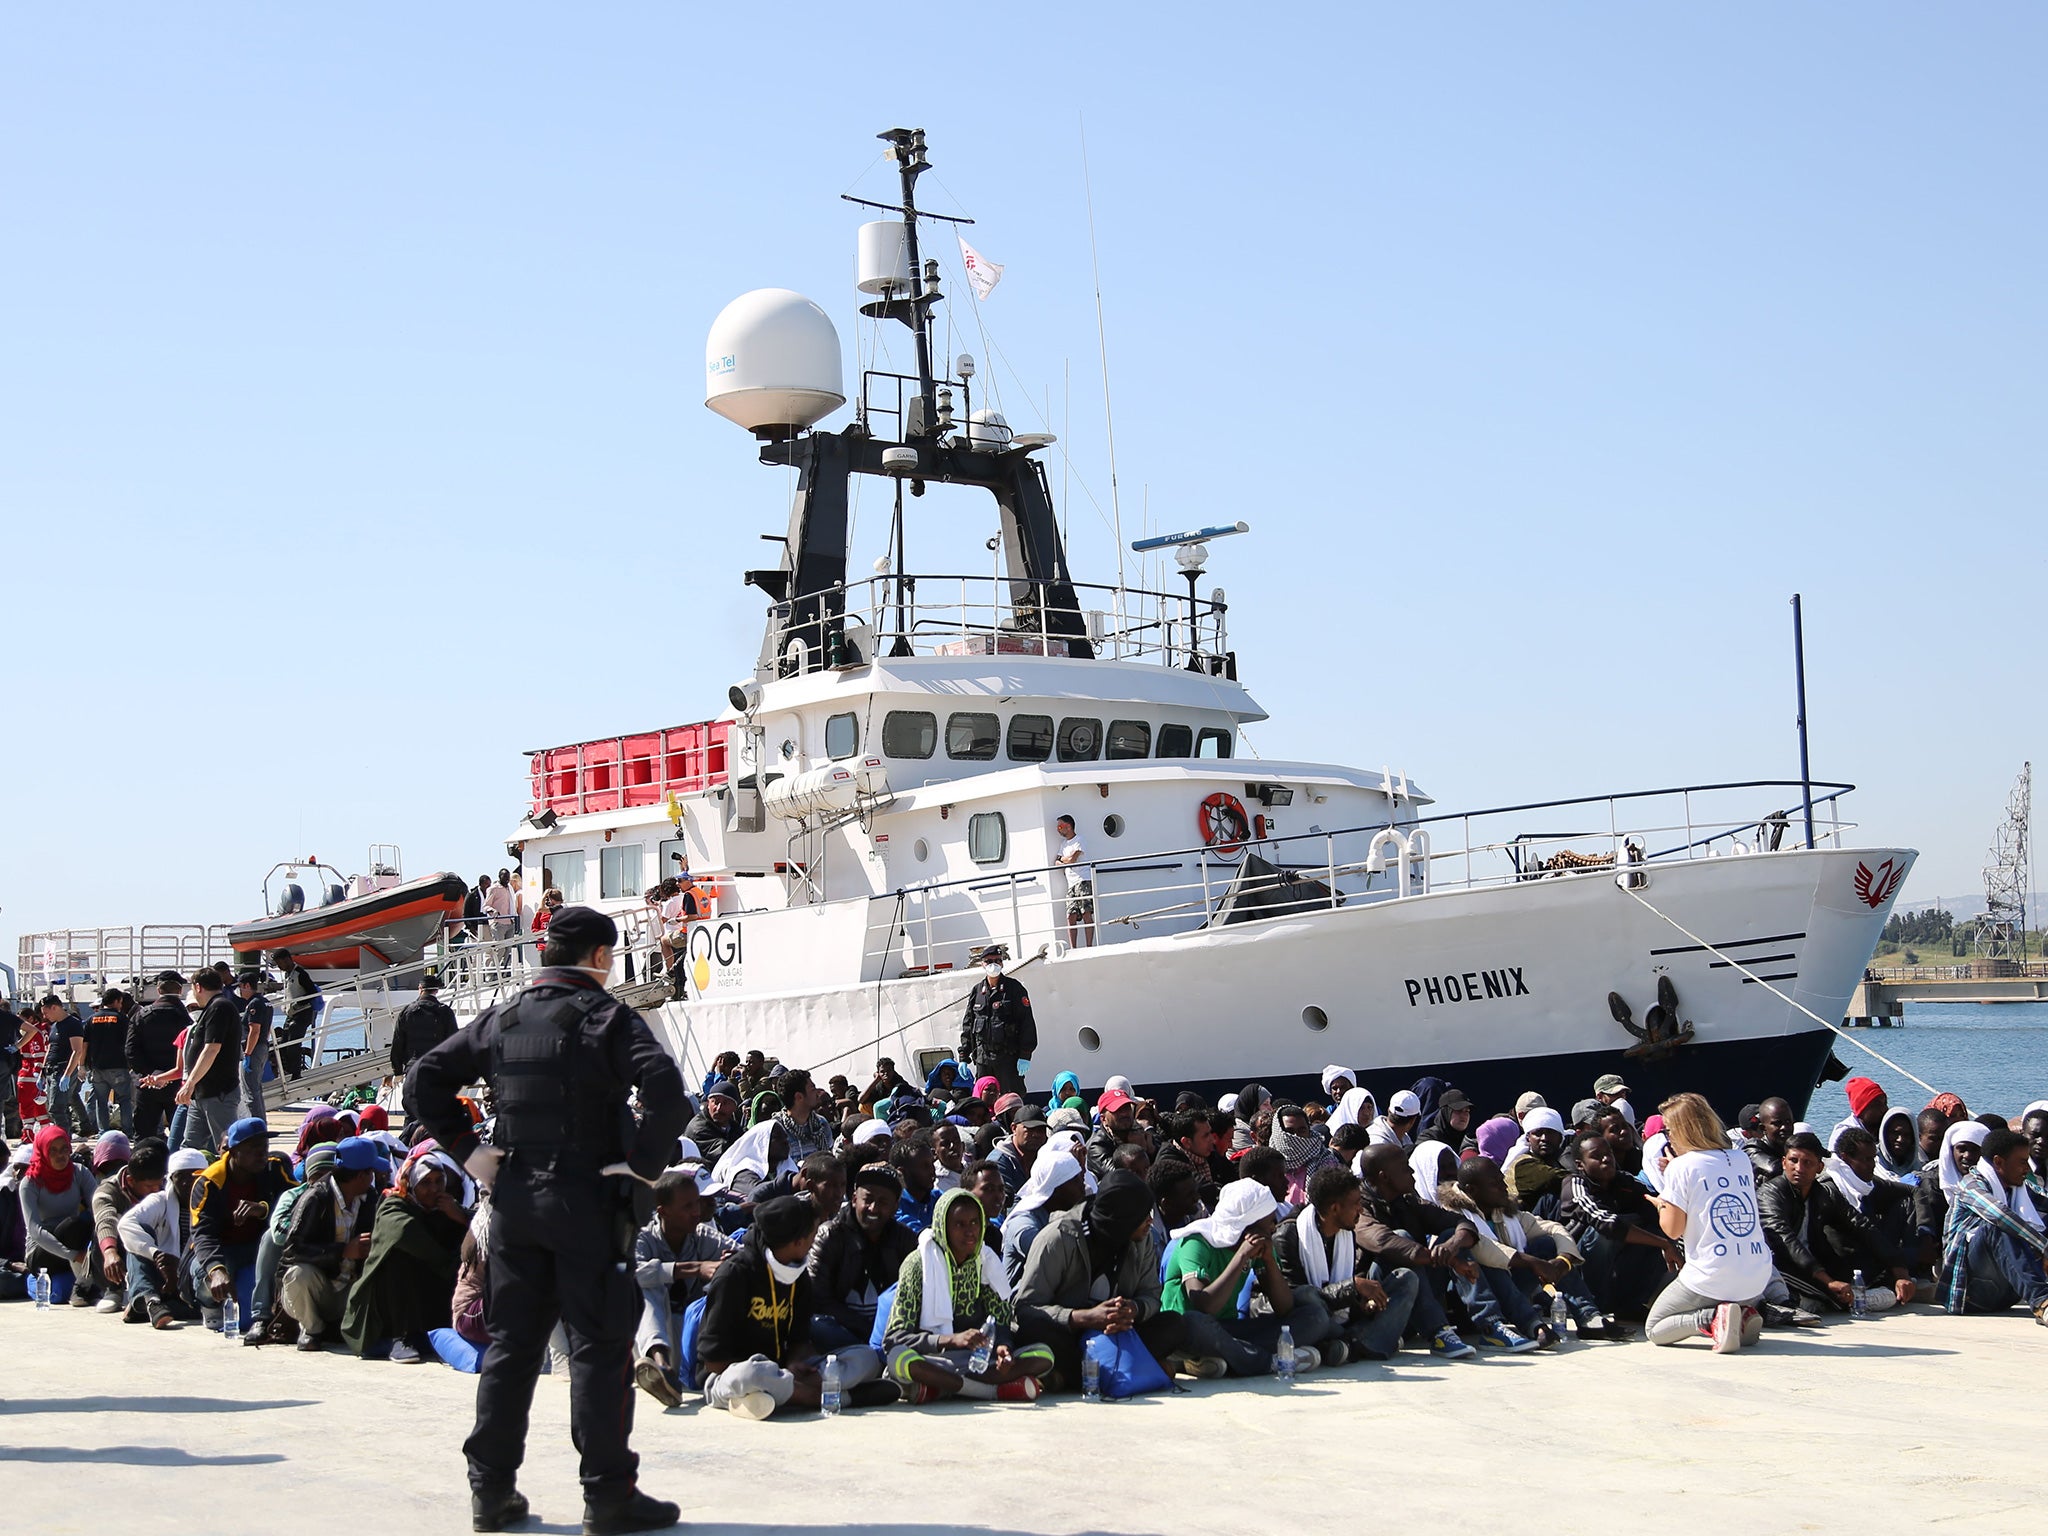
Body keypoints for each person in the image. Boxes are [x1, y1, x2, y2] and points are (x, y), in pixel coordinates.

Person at [410, 904, 687, 1536]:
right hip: (586, 1201)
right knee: (598, 1348)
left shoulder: (501, 1017)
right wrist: (642, 1168)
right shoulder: (608, 1018)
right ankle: (608, 1497)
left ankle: (491, 1493)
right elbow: (666, 1090)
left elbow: (426, 1076)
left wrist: (474, 1156)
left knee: (511, 1347)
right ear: (598, 957)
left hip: (512, 1204)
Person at [694, 1194, 890, 1416]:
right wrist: (772, 1375)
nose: (814, 1241)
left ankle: (772, 1398)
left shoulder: (798, 1274)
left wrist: (795, 1364)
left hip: (782, 1372)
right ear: (797, 1242)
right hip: (731, 1376)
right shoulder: (734, 1275)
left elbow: (799, 1340)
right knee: (753, 1374)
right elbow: (713, 1362)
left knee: (866, 1358)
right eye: (812, 1236)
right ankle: (832, 1398)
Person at [1013, 1168, 1186, 1387]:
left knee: (1175, 1325)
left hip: (1118, 1333)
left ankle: (1070, 1378)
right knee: (1036, 1331)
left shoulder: (1142, 1240)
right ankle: (1126, 1369)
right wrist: (1084, 1317)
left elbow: (1152, 1295)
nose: (1149, 1222)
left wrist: (1133, 1309)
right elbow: (1027, 1308)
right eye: (1142, 1216)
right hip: (1070, 1334)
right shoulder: (1057, 1238)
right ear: (1122, 1218)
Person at [885, 1186, 1055, 1402]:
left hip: (977, 1361)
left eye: (975, 1222)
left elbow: (1000, 1320)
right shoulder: (918, 1264)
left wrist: (1004, 1347)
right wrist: (950, 1340)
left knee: (1043, 1355)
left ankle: (942, 1388)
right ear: (943, 1227)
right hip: (935, 1358)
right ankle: (991, 1392)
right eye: (959, 1224)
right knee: (899, 1359)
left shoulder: (984, 1260)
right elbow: (894, 1339)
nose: (970, 1231)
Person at [1159, 1177, 1332, 1376]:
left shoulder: (1261, 1244)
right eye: (1269, 1221)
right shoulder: (1196, 1242)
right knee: (1194, 1322)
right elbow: (1204, 1306)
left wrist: (1268, 1261)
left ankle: (1222, 1358)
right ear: (1246, 1224)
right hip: (1190, 1333)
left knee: (1314, 1317)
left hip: (1229, 1330)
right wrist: (1240, 1256)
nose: (1274, 1227)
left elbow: (1284, 1307)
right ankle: (1269, 1362)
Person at [1644, 1092, 1773, 1351]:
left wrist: (1662, 1202)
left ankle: (1712, 1319)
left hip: (1712, 1275)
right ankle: (1742, 1317)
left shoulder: (1682, 1167)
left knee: (1655, 1328)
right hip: (1757, 1275)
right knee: (1725, 1298)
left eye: (1669, 1131)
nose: (1668, 1137)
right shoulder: (1739, 1159)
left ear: (1683, 1130)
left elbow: (1672, 1229)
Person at [1351, 1143, 1489, 1360]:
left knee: (1449, 1237)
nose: (1412, 1172)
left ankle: (1492, 1326)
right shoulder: (1358, 1205)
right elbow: (1383, 1241)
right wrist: (1453, 1262)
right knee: (1402, 1238)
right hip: (1379, 1297)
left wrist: (1453, 1245)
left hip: (1418, 1292)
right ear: (1384, 1176)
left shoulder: (1406, 1200)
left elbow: (1461, 1222)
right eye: (1405, 1168)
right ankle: (1439, 1332)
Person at [1273, 1163, 1419, 1362]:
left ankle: (1351, 1344)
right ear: (1335, 1208)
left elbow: (1342, 1294)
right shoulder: (1288, 1234)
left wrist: (1363, 1304)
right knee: (1307, 1298)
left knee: (1406, 1278)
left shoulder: (1346, 1230)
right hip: (1311, 1319)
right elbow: (1296, 1299)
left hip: (1340, 1319)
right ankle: (1366, 1342)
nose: (1361, 1209)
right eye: (1356, 1203)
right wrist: (1354, 1287)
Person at [1760, 1131, 1913, 1315]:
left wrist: (1900, 1271)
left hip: (1813, 1267)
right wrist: (1828, 1282)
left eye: (1807, 1162)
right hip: (1778, 1265)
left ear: (1819, 1167)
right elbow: (1786, 1240)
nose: (1799, 1168)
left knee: (1858, 1283)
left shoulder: (1824, 1194)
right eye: (1793, 1161)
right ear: (1784, 1162)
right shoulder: (1771, 1193)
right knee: (1822, 1303)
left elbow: (1861, 1226)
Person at [629, 1164, 737, 1406]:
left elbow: (742, 1253)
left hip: (686, 1336)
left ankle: (667, 1378)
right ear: (663, 1211)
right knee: (649, 1287)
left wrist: (732, 1263)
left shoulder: (702, 1236)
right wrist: (695, 1268)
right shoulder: (643, 1237)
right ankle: (659, 1364)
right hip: (643, 1339)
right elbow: (632, 1271)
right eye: (687, 1206)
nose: (696, 1212)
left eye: (697, 1203)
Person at [278, 1135, 386, 1350]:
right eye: (371, 1172)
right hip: (319, 1289)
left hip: (351, 1289)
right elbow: (292, 1251)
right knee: (298, 1275)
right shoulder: (315, 1198)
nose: (374, 1177)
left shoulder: (370, 1199)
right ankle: (312, 1329)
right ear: (360, 1175)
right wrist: (343, 1251)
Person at [189, 1116, 297, 1329]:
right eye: (254, 1148)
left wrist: (263, 1209)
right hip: (222, 1251)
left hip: (257, 1249)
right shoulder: (208, 1183)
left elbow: (299, 1202)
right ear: (234, 1151)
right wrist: (216, 1270)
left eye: (265, 1147)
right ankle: (209, 1305)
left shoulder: (274, 1169)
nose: (262, 1154)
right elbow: (203, 1234)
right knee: (209, 1276)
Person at [1560, 1128, 1677, 1321]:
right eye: (1597, 1157)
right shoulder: (1574, 1184)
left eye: (1608, 1154)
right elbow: (1606, 1223)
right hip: (1579, 1265)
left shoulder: (1624, 1181)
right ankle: (1592, 1301)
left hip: (1617, 1263)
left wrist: (1666, 1239)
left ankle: (1631, 1303)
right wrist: (1663, 1244)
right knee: (1603, 1234)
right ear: (1580, 1165)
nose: (1606, 1159)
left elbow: (1653, 1211)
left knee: (1654, 1230)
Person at [1938, 1128, 2048, 1320]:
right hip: (1969, 1295)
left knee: (2040, 1222)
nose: (2027, 1170)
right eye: (2022, 1163)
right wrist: (2043, 1246)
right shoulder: (1970, 1186)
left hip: (2004, 1294)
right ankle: (2042, 1302)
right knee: (1997, 1226)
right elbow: (2000, 1216)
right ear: (1998, 1162)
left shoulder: (2017, 1190)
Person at [808, 1158, 918, 1351]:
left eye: (883, 1202)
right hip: (844, 1329)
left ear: (895, 1207)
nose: (873, 1209)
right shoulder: (830, 1235)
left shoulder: (905, 1239)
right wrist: (865, 1329)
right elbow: (818, 1298)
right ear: (853, 1199)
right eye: (868, 1200)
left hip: (890, 1329)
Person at [118, 1145, 206, 1326]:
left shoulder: (212, 1203)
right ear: (171, 1179)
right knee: (137, 1244)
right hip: (163, 1277)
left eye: (193, 1176)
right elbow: (126, 1224)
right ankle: (152, 1302)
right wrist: (156, 1254)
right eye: (180, 1176)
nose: (186, 1183)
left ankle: (142, 1305)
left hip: (190, 1281)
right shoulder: (160, 1200)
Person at [19, 1123, 102, 1305]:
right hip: (42, 1253)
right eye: (53, 1150)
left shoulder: (79, 1173)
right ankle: (83, 1287)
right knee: (73, 1224)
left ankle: (87, 1283)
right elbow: (35, 1230)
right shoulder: (30, 1183)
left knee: (96, 1220)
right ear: (43, 1152)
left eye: (64, 1149)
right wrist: (72, 1255)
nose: (60, 1155)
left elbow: (99, 1208)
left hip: (75, 1248)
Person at [175, 968, 244, 1154]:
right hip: (202, 1093)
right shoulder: (212, 1009)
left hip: (218, 1093)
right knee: (189, 1148)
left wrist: (189, 1083)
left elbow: (212, 1048)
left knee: (226, 1147)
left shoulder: (220, 1007)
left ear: (198, 987)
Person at [1000, 1140, 1088, 1286]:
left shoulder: (1068, 1212)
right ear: (1056, 1188)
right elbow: (1050, 1256)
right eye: (1075, 1180)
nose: (1082, 1185)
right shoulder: (1023, 1222)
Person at [958, 944, 1036, 1101]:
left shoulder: (1014, 989)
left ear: (1002, 963)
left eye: (997, 960)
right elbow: (969, 1024)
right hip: (983, 1058)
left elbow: (1026, 1022)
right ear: (982, 963)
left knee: (1011, 1101)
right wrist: (963, 1056)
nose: (993, 964)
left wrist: (1025, 1054)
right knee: (983, 1102)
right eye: (988, 961)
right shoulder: (977, 991)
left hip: (1007, 1058)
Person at [87, 1130, 145, 1313]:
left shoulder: (159, 1190)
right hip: (106, 1252)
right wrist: (110, 1252)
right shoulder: (106, 1188)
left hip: (145, 1249)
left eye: (118, 1164)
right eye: (106, 1166)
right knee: (99, 1231)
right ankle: (112, 1290)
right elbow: (104, 1218)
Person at [127, 972, 189, 1140]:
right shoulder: (187, 1017)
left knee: (144, 1137)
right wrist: (168, 1076)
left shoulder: (140, 1016)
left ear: (158, 989)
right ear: (180, 989)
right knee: (182, 1137)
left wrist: (153, 1075)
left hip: (147, 1083)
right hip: (179, 1084)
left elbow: (131, 1052)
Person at [84, 987, 135, 1136]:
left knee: (101, 1101)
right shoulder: (122, 1019)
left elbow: (84, 1044)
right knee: (125, 1099)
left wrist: (82, 1065)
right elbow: (129, 1042)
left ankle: (103, 1132)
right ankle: (127, 1132)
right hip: (118, 1066)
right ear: (117, 1001)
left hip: (97, 1067)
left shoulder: (91, 1019)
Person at [389, 971, 458, 1079]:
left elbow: (398, 1042)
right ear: (436, 990)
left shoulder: (407, 1011)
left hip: (414, 1068)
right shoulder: (445, 1012)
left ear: (420, 988)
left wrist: (397, 1071)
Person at [41, 996, 90, 1136]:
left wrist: (68, 1074)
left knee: (57, 1108)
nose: (44, 1016)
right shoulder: (55, 1025)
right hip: (51, 1070)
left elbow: (77, 1050)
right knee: (54, 1109)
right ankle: (63, 1137)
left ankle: (63, 1139)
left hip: (62, 1070)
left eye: (46, 1012)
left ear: (54, 1007)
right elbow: (50, 1048)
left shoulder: (72, 1024)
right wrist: (42, 1072)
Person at [232, 970, 272, 1122]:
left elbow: (254, 1030)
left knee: (250, 1092)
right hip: (262, 1047)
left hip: (253, 1049)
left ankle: (255, 1124)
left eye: (241, 986)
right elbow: (267, 1029)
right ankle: (260, 1121)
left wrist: (247, 1053)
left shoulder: (254, 1004)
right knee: (256, 1089)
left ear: (247, 986)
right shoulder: (265, 1002)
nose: (239, 990)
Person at [988, 1101, 1047, 1201]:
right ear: (1014, 1128)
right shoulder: (997, 1163)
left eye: (1041, 1130)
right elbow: (1007, 1203)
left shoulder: (1045, 1157)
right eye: (1030, 1129)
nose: (1036, 1134)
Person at [1054, 813, 1096, 949]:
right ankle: (1074, 948)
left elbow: (1072, 859)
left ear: (1068, 826)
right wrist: (1065, 860)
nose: (1058, 829)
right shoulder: (1063, 845)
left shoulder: (1079, 840)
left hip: (1083, 880)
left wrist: (1063, 860)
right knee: (1070, 915)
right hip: (1071, 883)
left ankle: (1089, 946)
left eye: (1060, 826)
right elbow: (1056, 862)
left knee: (1086, 913)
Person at [773, 1069, 835, 1160]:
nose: (817, 1093)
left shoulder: (821, 1124)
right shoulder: (776, 1129)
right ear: (799, 1097)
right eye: (813, 1089)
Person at [891, 1131, 942, 1234]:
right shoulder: (895, 1207)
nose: (932, 1170)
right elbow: (920, 1236)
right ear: (902, 1172)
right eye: (924, 1166)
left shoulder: (937, 1197)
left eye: (932, 1163)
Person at [684, 1078, 742, 1168]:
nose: (719, 1108)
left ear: (734, 1107)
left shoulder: (733, 1126)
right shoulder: (698, 1128)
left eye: (725, 1103)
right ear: (708, 1103)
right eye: (716, 1102)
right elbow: (725, 1153)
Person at [1744, 1097, 1794, 1183]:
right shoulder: (1752, 1149)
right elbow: (1774, 1169)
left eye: (1788, 1122)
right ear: (1763, 1128)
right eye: (1777, 1124)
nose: (1784, 1127)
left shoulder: (1793, 1146)